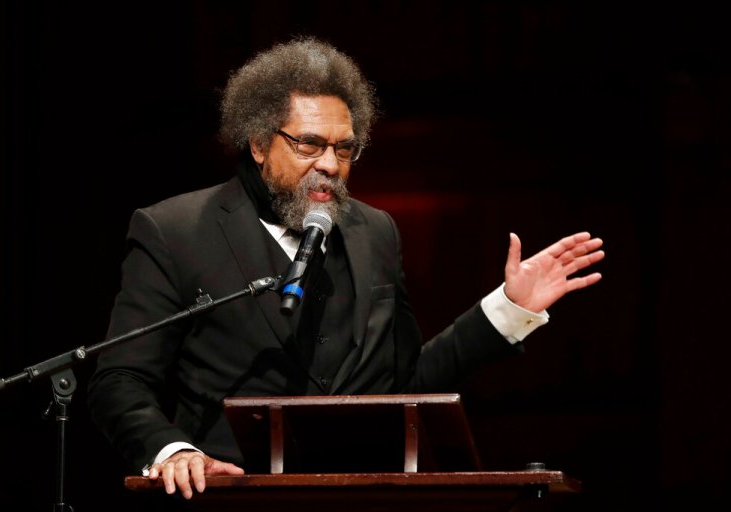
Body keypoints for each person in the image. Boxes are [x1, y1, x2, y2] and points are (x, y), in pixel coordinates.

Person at [87, 36, 604, 501]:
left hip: (364, 496)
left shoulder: (374, 231)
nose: (330, 165)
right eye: (308, 144)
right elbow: (121, 379)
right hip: (232, 499)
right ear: (259, 142)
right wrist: (173, 451)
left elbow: (405, 386)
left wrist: (507, 311)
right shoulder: (176, 230)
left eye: (344, 148)